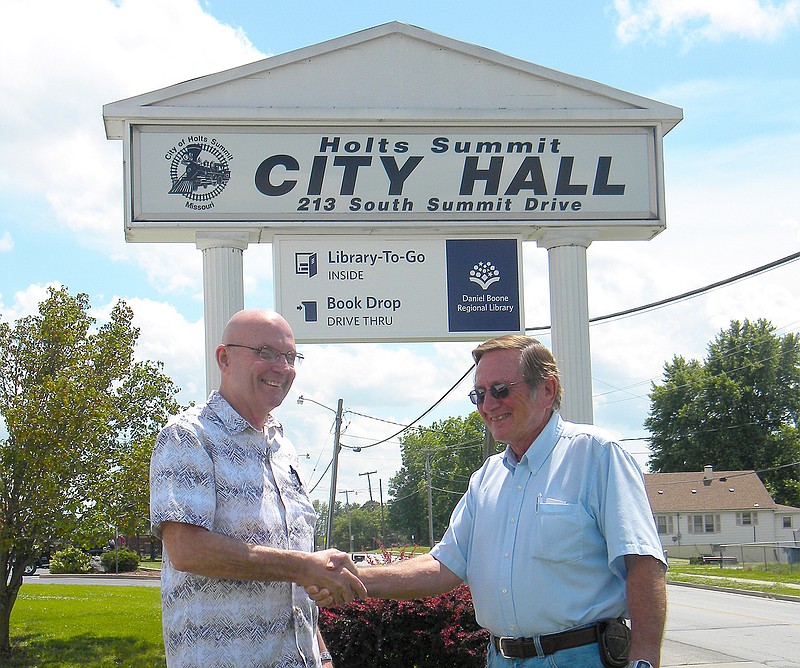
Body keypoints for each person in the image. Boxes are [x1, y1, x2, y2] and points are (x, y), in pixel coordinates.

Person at [311, 334, 667, 668]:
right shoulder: (486, 479)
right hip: (500, 657)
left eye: (500, 390)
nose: (488, 404)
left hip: (581, 656)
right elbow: (443, 567)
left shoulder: (596, 456)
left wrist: (645, 660)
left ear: (546, 390)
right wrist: (354, 578)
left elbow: (643, 564)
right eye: (478, 394)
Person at [150, 309, 366, 668]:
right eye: (265, 352)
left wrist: (323, 655)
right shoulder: (189, 436)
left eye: (290, 356)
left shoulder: (285, 449)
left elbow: (294, 583)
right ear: (225, 358)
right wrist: (301, 567)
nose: (281, 367)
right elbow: (187, 550)